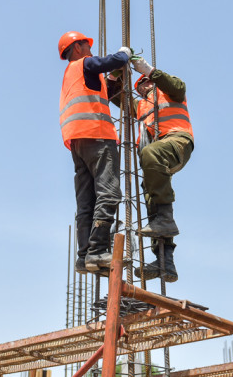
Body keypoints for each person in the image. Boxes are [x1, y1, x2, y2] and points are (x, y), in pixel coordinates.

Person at [58, 31, 131, 275]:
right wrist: (124, 55)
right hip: (97, 135)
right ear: (77, 48)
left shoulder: (72, 75)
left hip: (77, 142)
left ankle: (84, 257)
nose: (90, 49)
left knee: (86, 201)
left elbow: (102, 92)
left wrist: (113, 79)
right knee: (109, 192)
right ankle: (98, 249)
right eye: (86, 45)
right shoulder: (85, 64)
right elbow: (112, 61)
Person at [127, 56, 193, 283]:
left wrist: (148, 70)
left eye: (145, 82)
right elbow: (116, 96)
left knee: (150, 153)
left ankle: (164, 220)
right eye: (139, 87)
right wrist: (116, 74)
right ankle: (165, 261)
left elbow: (178, 86)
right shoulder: (140, 106)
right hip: (155, 161)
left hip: (176, 142)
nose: (143, 87)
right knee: (152, 200)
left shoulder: (169, 93)